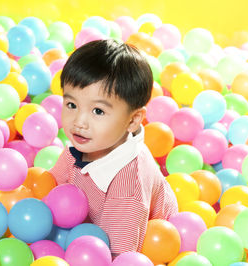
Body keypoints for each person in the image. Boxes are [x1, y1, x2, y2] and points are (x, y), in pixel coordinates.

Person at [48, 39, 178, 257]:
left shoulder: (128, 185)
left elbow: (118, 255)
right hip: (88, 234)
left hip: (148, 247)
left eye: (98, 111)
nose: (79, 121)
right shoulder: (84, 144)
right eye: (71, 105)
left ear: (133, 120)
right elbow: (51, 190)